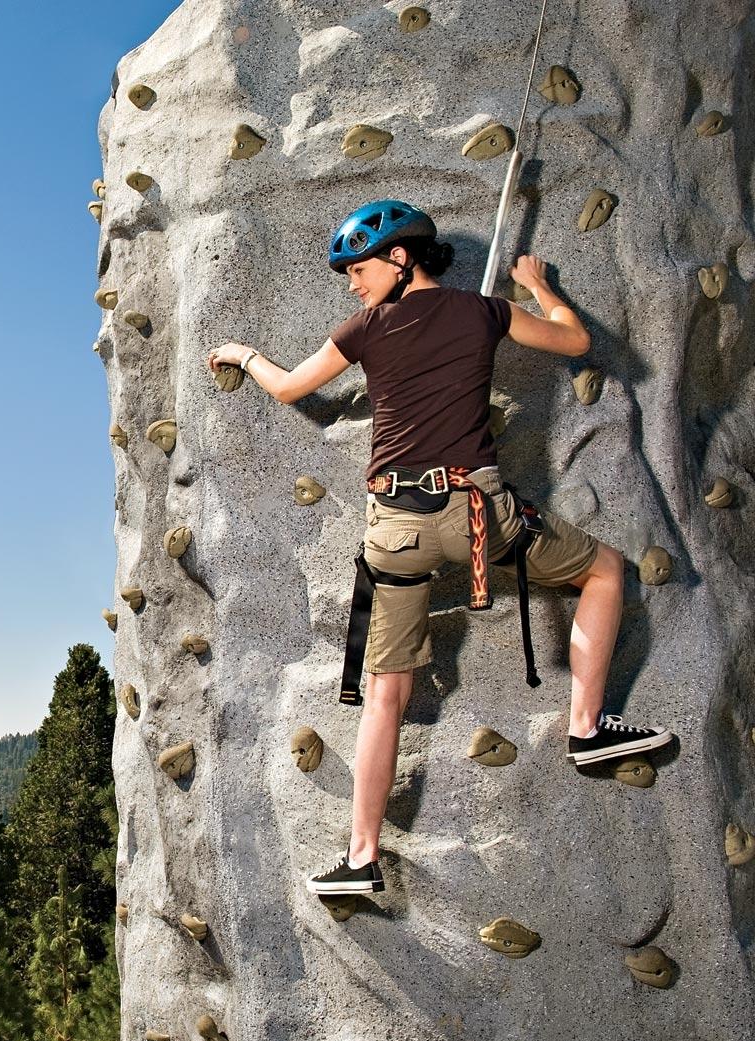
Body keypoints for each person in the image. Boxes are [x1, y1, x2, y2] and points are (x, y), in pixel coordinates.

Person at [204, 200, 674, 897]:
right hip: (481, 514)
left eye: (358, 269)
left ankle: (361, 860)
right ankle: (586, 728)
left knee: (384, 695)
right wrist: (537, 284)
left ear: (400, 260)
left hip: (395, 526)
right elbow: (575, 343)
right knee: (604, 570)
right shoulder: (483, 312)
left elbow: (294, 387)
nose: (352, 284)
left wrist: (244, 354)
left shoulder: (363, 329)